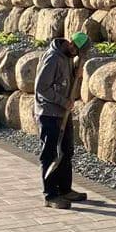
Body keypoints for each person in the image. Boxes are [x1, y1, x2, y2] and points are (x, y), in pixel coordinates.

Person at [33, 30, 90, 208]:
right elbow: (42, 88)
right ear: (71, 44)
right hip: (48, 113)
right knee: (50, 154)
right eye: (77, 52)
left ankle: (65, 190)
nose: (77, 55)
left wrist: (75, 73)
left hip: (62, 113)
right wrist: (63, 101)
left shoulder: (67, 56)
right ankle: (50, 195)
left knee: (66, 151)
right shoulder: (52, 58)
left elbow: (63, 81)